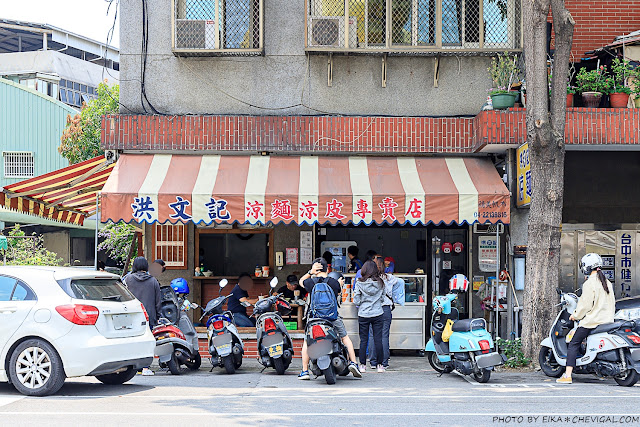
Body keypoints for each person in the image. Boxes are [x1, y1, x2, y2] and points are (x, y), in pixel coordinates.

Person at [297, 258, 362, 380]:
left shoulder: (311, 282)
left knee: (307, 342)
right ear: (328, 269)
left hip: (315, 319)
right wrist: (340, 285)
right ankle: (353, 362)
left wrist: (310, 272)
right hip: (332, 318)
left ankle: (304, 371)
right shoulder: (334, 283)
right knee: (345, 337)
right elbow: (337, 296)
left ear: (315, 269)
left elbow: (301, 281)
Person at [557, 253, 615, 384]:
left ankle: (567, 375)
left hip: (593, 321)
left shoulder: (589, 283)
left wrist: (575, 315)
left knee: (574, 343)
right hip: (608, 320)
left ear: (586, 267)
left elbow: (585, 305)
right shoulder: (607, 282)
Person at [123, 257, 162, 376]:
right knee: (146, 342)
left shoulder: (127, 279)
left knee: (131, 341)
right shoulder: (153, 281)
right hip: (148, 316)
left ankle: (131, 367)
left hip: (130, 316)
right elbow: (158, 302)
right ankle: (145, 367)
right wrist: (158, 316)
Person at [353, 260, 386, 373]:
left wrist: (363, 301)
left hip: (363, 314)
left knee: (363, 340)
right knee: (378, 339)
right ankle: (380, 365)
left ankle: (362, 365)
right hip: (378, 313)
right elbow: (382, 298)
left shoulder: (359, 282)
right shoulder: (381, 282)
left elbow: (356, 300)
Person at [368, 255, 395, 369]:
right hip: (385, 309)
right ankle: (384, 362)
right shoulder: (390, 278)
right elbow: (401, 283)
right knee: (384, 335)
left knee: (373, 335)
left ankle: (373, 362)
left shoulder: (369, 279)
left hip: (373, 308)